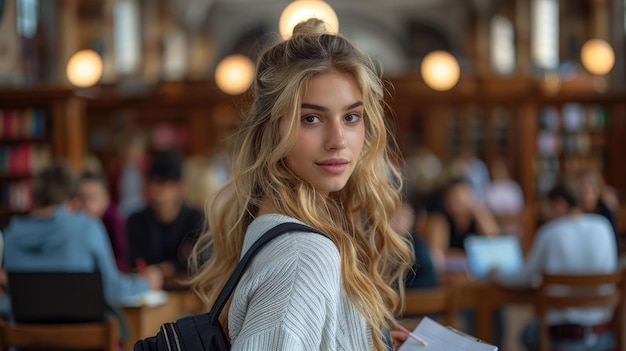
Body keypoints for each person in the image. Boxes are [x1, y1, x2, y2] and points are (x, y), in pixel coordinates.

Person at [187, 18, 413, 351]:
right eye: (311, 118)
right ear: (272, 129)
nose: (338, 140)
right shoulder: (302, 255)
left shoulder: (284, 230)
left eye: (351, 117)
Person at [0, 162, 162, 317]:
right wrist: (146, 283)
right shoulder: (87, 228)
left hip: (24, 341)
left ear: (33, 198)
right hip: (82, 340)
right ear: (73, 201)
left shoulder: (9, 237)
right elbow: (112, 290)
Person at [493, 180, 617, 351]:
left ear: (559, 204)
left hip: (563, 338)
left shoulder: (550, 232)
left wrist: (496, 273)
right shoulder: (604, 226)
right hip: (603, 336)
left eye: (547, 210)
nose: (545, 216)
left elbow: (523, 278)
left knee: (527, 334)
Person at [126, 150, 204, 277]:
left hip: (187, 290)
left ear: (180, 187)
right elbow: (135, 263)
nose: (156, 192)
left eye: (163, 184)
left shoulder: (197, 220)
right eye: (152, 184)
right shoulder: (136, 221)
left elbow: (201, 260)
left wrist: (170, 268)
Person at [423, 178, 500, 273]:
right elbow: (437, 254)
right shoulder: (441, 220)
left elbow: (496, 243)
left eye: (464, 195)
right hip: (450, 273)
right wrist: (470, 257)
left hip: (478, 272)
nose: (458, 201)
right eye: (454, 196)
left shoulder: (479, 216)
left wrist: (479, 213)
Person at [76, 170, 129, 272]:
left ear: (105, 200)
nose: (86, 205)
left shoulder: (114, 221)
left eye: (92, 198)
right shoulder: (73, 223)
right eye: (82, 198)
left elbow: (122, 261)